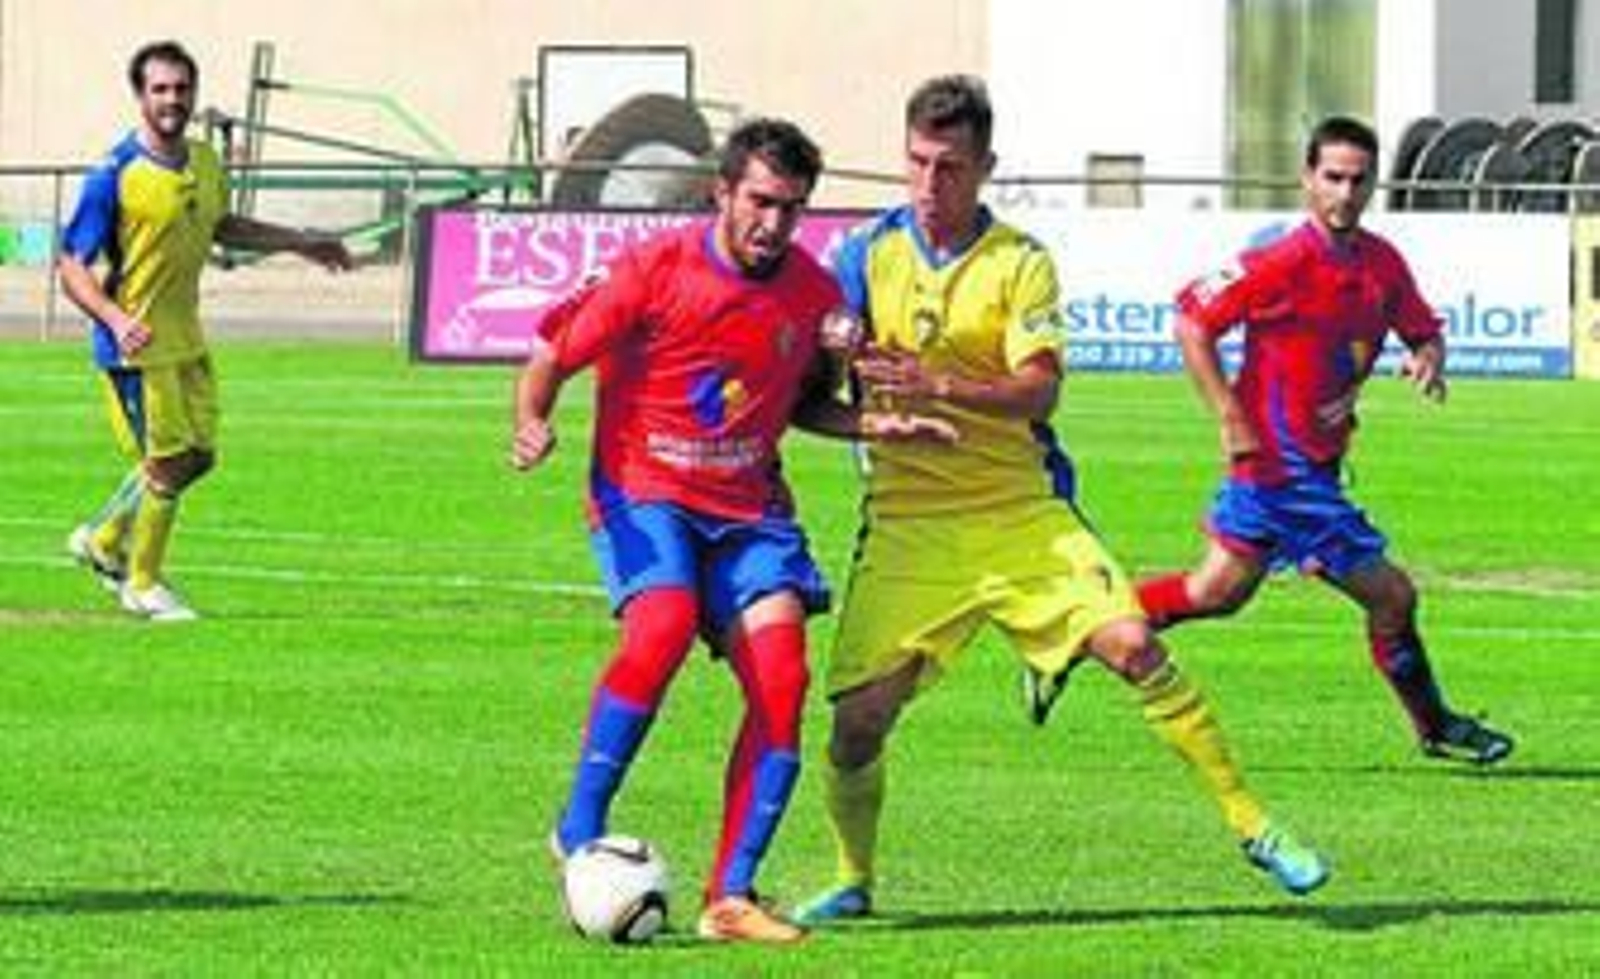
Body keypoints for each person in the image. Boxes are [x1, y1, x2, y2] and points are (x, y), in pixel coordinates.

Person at [795, 75, 1329, 927]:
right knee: (857, 724)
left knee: (1131, 642)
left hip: (1019, 510)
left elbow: (1039, 393)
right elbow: (812, 390)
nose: (932, 185)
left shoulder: (1020, 261)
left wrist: (941, 382)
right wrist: (863, 399)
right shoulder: (861, 257)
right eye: (918, 163)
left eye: (952, 167)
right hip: (908, 525)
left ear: (986, 168)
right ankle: (854, 876)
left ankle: (1254, 824)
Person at [512, 118, 953, 945]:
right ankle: (577, 824)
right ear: (722, 191)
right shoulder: (654, 270)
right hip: (644, 491)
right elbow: (551, 355)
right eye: (759, 202)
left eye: (791, 208)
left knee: (782, 680)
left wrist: (873, 427)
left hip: (749, 508)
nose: (773, 224)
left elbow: (805, 404)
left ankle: (731, 895)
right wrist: (532, 421)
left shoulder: (816, 297)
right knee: (665, 621)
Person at [1135, 115, 1514, 766]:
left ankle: (1083, 627)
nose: (1344, 192)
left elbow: (1422, 327)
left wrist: (1429, 354)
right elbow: (1191, 322)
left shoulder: (1380, 263)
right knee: (1392, 594)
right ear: (1307, 179)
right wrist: (1229, 414)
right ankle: (1436, 726)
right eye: (1332, 177)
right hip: (1283, 475)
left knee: (1215, 593)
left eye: (1358, 179)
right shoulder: (1281, 260)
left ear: (1373, 185)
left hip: (1315, 467)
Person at [59, 39, 351, 621]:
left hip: (185, 338)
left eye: (181, 88)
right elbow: (71, 265)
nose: (172, 100)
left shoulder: (204, 161)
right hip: (133, 349)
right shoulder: (114, 174)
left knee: (197, 457)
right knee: (167, 461)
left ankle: (103, 540)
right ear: (140, 96)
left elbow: (224, 225)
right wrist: (117, 320)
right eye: (159, 89)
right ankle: (142, 583)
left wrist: (302, 242)